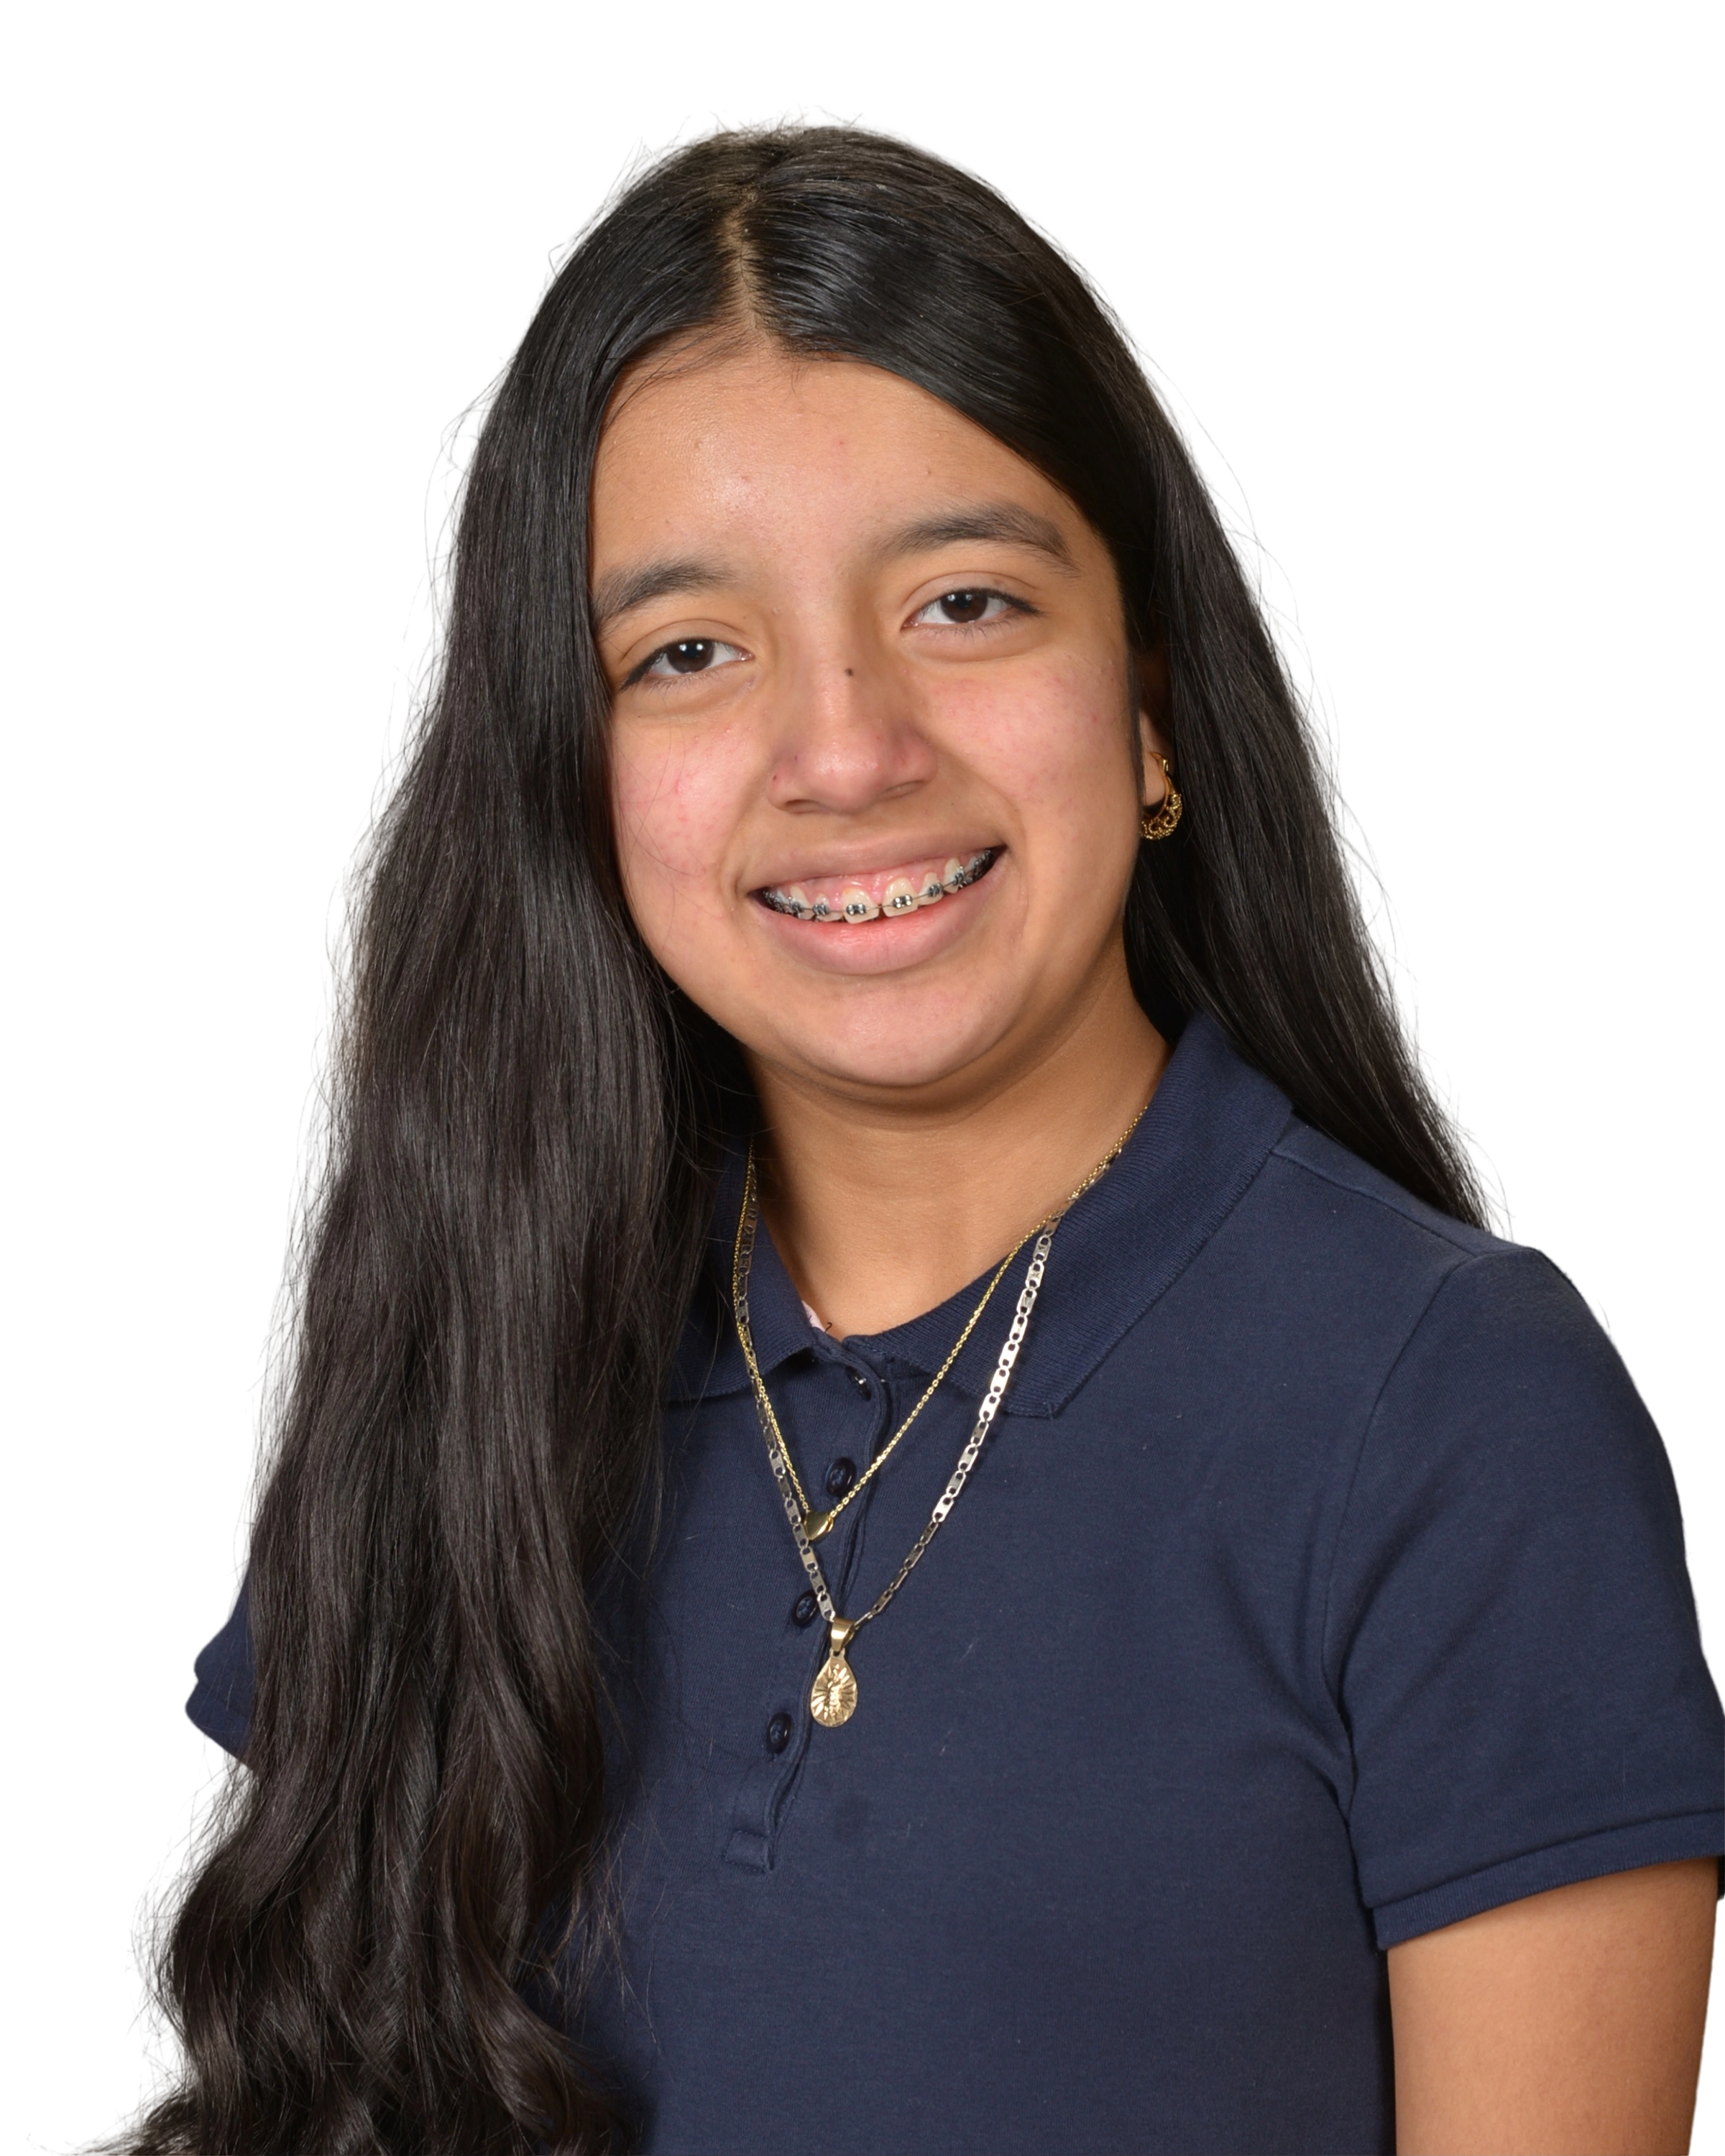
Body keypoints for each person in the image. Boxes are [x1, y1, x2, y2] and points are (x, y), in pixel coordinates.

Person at [103, 101, 1721, 2156]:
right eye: (688, 652)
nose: (845, 749)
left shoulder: (1455, 1411)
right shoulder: (453, 1370)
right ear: (572, 783)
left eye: (964, 603)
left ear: (1150, 703)